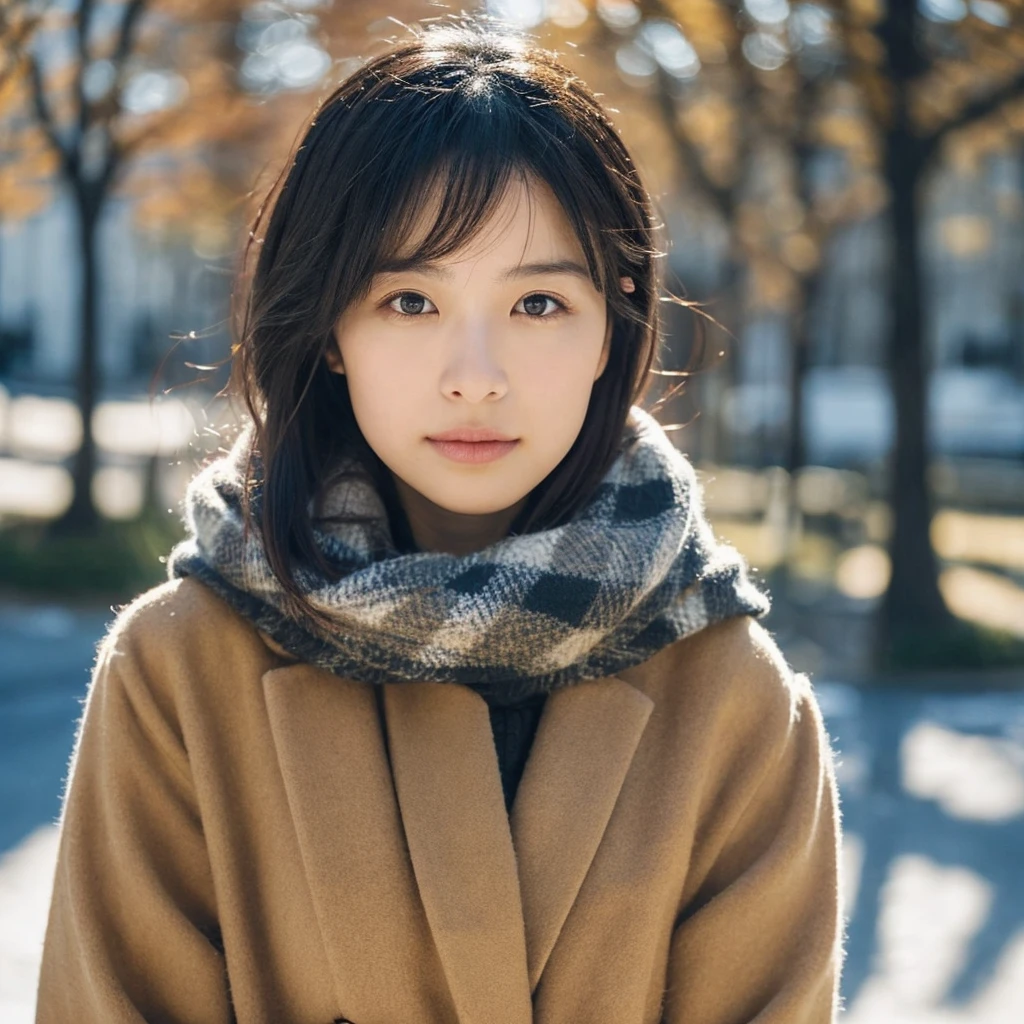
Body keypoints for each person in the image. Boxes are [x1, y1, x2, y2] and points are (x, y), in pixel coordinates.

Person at [35, 16, 846, 1024]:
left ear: (613, 323)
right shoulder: (177, 673)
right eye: (409, 301)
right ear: (332, 329)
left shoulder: (735, 703)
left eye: (538, 304)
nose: (475, 379)